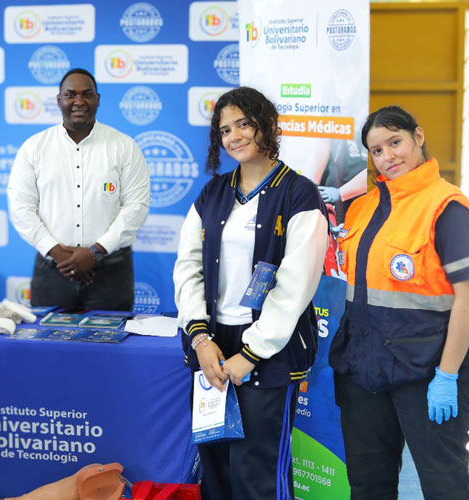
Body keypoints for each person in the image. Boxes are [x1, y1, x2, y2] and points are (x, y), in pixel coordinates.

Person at [173, 87, 328, 500]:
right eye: (225, 129)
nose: (235, 136)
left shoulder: (299, 194)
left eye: (244, 123)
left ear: (267, 126)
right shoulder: (213, 193)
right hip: (211, 349)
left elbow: (296, 285)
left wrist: (252, 353)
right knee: (216, 469)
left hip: (265, 353)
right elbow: (188, 268)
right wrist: (200, 339)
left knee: (258, 475)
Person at [329, 106, 469, 500]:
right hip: (363, 374)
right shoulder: (362, 208)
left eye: (395, 142)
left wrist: (448, 375)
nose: (387, 157)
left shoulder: (447, 206)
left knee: (445, 484)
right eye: (376, 151)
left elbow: (467, 300)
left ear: (418, 137)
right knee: (368, 485)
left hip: (425, 375)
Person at [7, 68, 150, 311]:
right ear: (59, 100)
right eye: (70, 95)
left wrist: (95, 252)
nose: (79, 102)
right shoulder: (33, 148)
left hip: (111, 271)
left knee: (111, 346)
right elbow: (21, 209)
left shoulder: (125, 147)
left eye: (87, 94)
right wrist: (62, 256)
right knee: (48, 347)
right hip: (53, 270)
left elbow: (136, 206)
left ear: (98, 99)